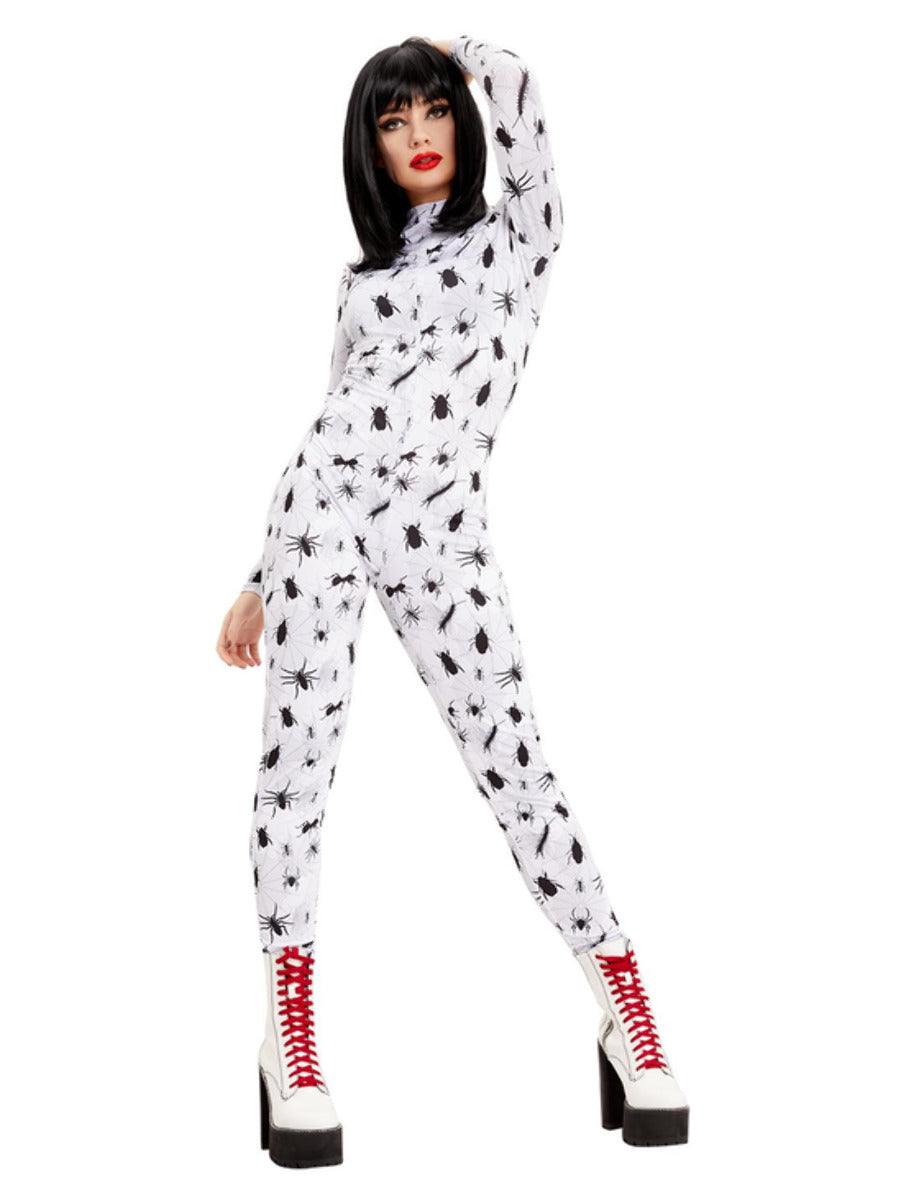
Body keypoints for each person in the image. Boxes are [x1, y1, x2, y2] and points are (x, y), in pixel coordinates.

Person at [216, 34, 689, 1168]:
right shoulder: (362, 282)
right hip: (322, 520)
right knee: (295, 769)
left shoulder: (518, 239)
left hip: (444, 541)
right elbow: (331, 417)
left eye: (433, 109)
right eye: (394, 121)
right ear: (370, 150)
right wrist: (261, 574)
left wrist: (455, 52)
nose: (420, 134)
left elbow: (520, 94)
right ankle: (290, 1039)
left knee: (516, 766)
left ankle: (624, 1005)